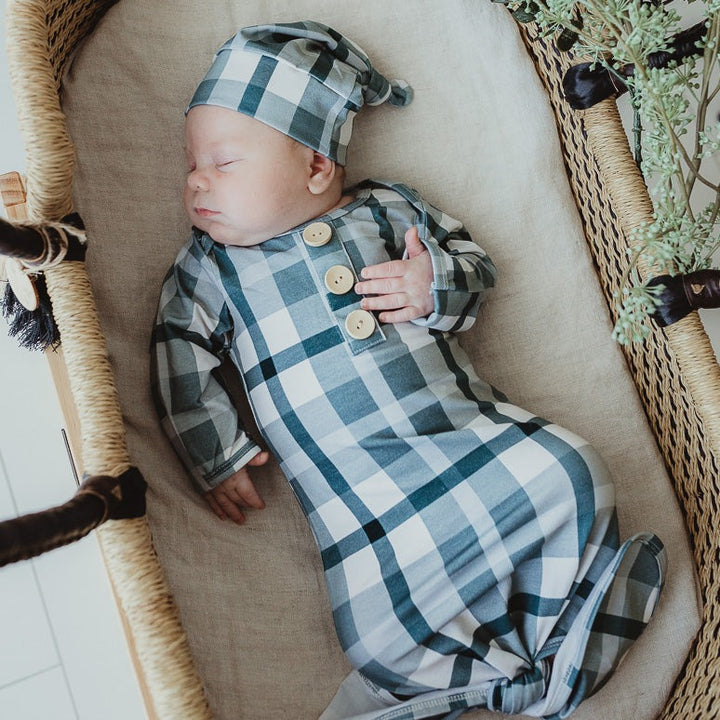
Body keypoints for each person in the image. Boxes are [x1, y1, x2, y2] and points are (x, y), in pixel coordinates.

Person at [151, 21, 665, 720]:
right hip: (368, 511)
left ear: (313, 168)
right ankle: (505, 682)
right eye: (191, 164)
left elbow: (474, 264)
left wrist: (432, 286)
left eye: (222, 161)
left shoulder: (389, 208)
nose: (195, 181)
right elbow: (179, 352)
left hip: (468, 443)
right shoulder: (207, 270)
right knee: (373, 634)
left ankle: (554, 641)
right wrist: (216, 452)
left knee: (570, 471)